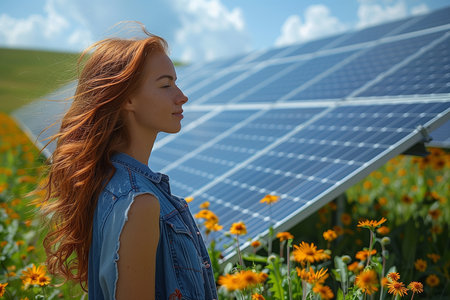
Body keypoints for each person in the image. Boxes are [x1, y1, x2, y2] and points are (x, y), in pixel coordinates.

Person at [37, 25, 218, 299]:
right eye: (166, 84)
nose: (182, 95)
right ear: (128, 98)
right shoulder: (139, 202)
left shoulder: (111, 184)